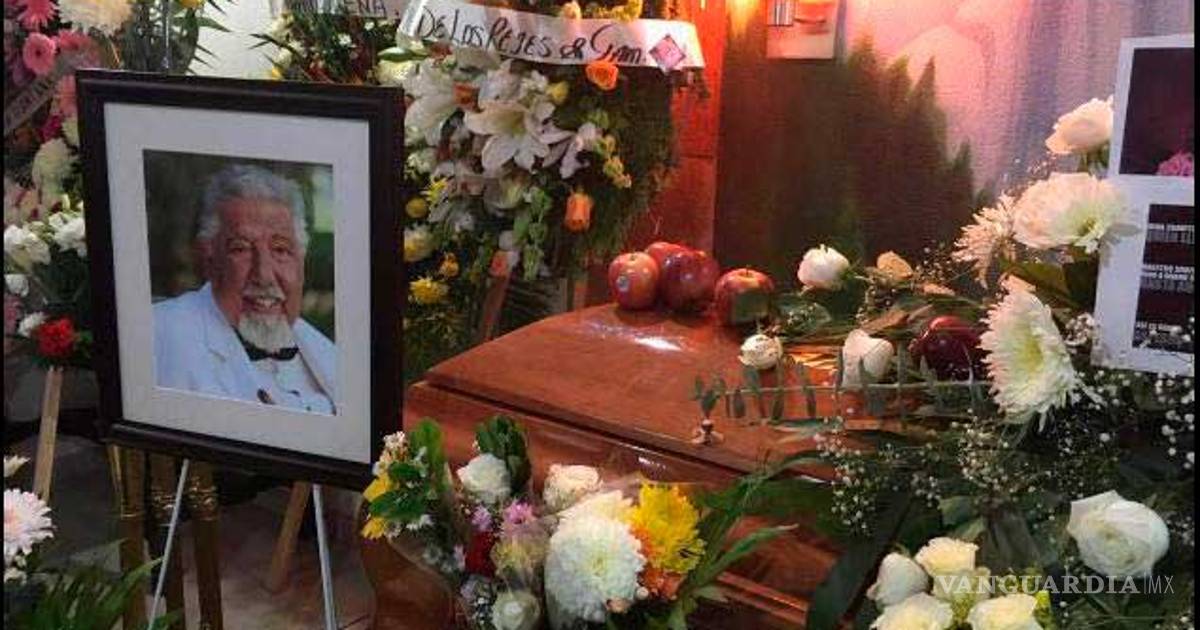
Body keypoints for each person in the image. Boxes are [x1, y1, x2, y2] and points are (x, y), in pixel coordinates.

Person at [153, 164, 336, 415]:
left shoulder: (328, 354)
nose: (264, 275)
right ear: (209, 259)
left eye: (280, 250)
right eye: (241, 249)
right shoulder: (162, 334)